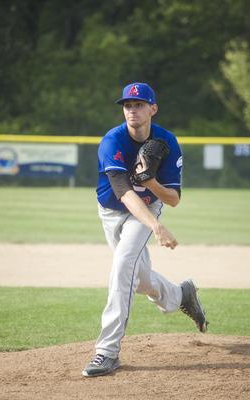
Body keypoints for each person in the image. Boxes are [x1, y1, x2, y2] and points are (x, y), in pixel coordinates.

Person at [82, 82, 208, 378]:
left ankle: (107, 352)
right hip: (113, 211)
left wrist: (150, 181)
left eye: (138, 105)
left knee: (123, 265)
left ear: (153, 109)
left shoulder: (167, 141)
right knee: (137, 279)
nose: (132, 110)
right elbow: (124, 192)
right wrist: (157, 227)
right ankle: (181, 294)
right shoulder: (112, 141)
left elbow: (173, 199)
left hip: (147, 208)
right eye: (127, 105)